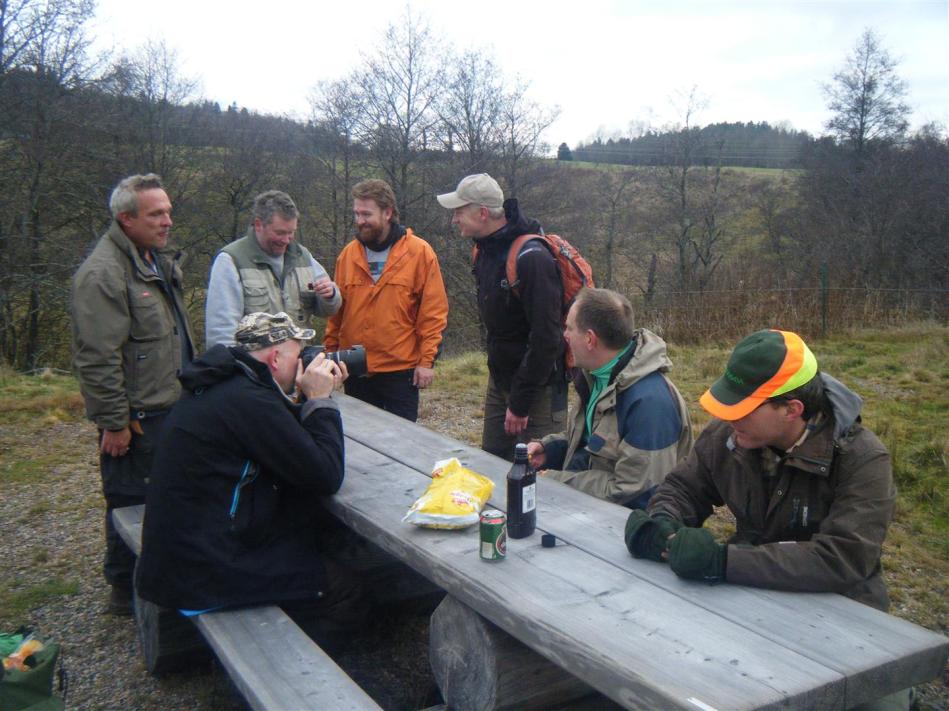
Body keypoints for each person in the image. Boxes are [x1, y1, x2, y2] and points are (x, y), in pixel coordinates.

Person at [135, 312, 366, 647]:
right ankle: (296, 671)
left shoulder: (224, 383)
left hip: (187, 547)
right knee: (346, 587)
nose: (305, 362)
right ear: (275, 358)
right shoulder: (247, 399)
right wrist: (319, 400)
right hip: (203, 569)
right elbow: (326, 475)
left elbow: (286, 446)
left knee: (316, 532)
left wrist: (304, 397)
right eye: (299, 354)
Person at [71, 173, 196, 615]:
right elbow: (97, 357)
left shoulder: (153, 259)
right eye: (156, 214)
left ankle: (157, 579)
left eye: (168, 211)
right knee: (130, 500)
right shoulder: (103, 274)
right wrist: (114, 422)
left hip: (169, 405)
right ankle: (124, 591)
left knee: (165, 497)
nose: (167, 221)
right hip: (138, 417)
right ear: (126, 219)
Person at [437, 173, 565, 461]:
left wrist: (520, 402)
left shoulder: (532, 257)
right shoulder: (484, 250)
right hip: (501, 381)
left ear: (483, 213)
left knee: (537, 473)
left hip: (538, 388)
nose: (454, 219)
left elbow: (547, 338)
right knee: (491, 465)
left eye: (459, 212)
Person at [527, 288, 692, 508]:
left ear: (590, 339)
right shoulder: (596, 375)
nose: (565, 335)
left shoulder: (649, 405)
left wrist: (557, 481)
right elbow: (593, 440)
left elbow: (636, 494)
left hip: (631, 521)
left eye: (569, 328)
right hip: (594, 505)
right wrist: (550, 450)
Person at [325, 179, 448, 422]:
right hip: (355, 368)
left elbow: (433, 313)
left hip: (400, 371)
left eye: (366, 214)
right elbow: (336, 313)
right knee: (360, 438)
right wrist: (330, 356)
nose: (360, 220)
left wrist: (426, 362)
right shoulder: (348, 255)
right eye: (357, 213)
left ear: (388, 213)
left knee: (402, 439)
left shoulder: (419, 253)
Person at [205, 190, 341, 347]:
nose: (286, 240)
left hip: (299, 360)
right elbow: (221, 334)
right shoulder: (230, 261)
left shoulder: (302, 256)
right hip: (253, 362)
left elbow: (328, 310)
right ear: (258, 225)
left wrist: (330, 295)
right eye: (280, 233)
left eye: (291, 233)